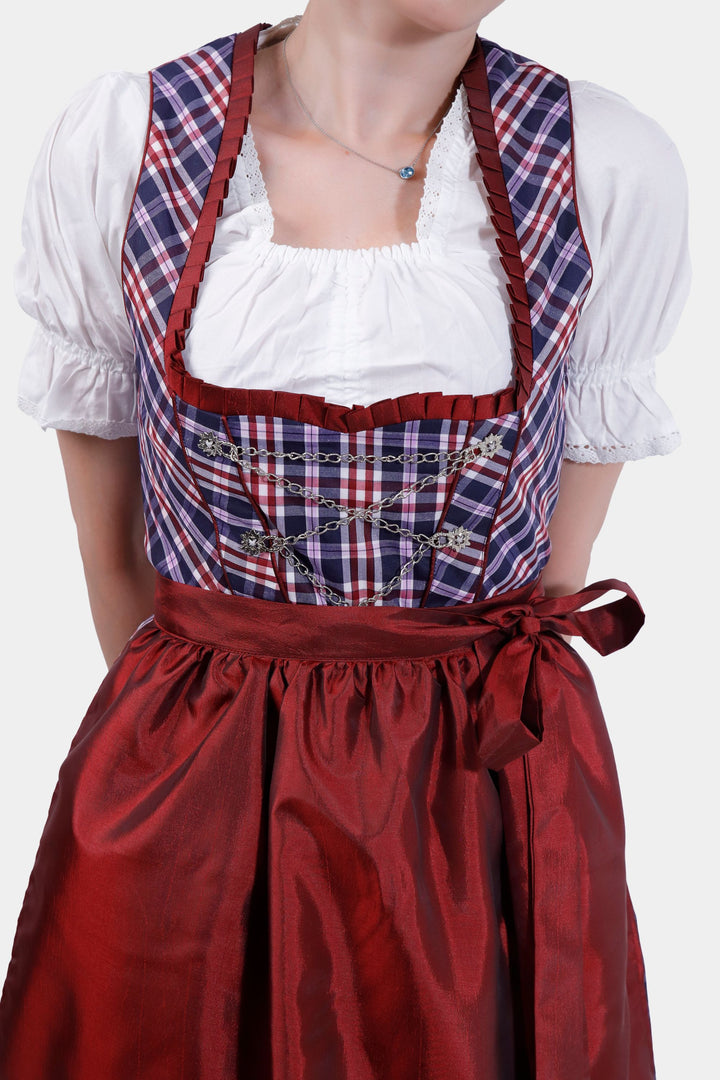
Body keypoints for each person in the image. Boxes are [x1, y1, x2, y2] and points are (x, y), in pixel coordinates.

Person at [0, 2, 690, 1077]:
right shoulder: (127, 141)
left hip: (479, 794)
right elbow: (116, 565)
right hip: (193, 781)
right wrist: (234, 754)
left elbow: (542, 588)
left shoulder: (603, 165)